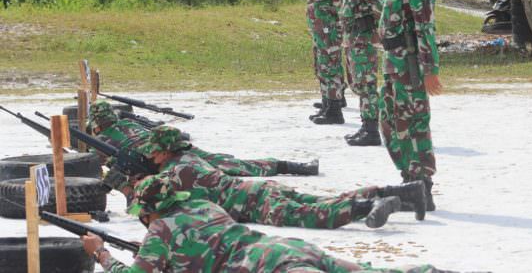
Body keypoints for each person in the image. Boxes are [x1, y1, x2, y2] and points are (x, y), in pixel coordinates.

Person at [81, 173, 452, 272]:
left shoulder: (161, 230)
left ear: (148, 212)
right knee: (366, 270)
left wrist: (102, 254)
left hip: (263, 268)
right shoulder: (206, 208)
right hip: (280, 249)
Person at [138, 125, 427, 229]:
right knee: (323, 200)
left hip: (253, 204)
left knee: (317, 215)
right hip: (257, 189)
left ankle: (368, 207)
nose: (152, 157)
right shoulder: (192, 158)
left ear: (165, 152)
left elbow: (155, 205)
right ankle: (403, 192)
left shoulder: (174, 174)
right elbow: (237, 164)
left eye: (154, 153)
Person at [87, 100, 318, 197]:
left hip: (157, 159)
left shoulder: (100, 144)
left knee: (213, 177)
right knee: (227, 163)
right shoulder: (127, 122)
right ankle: (290, 165)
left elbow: (98, 170)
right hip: (171, 147)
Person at [375, 0, 442, 211]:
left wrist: (430, 69)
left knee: (413, 124)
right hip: (394, 62)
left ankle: (422, 187)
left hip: (410, 64)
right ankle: (410, 181)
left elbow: (424, 25)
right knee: (390, 121)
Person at [339, 0, 384, 146]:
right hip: (355, 36)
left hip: (364, 36)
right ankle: (366, 125)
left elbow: (378, 7)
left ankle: (372, 130)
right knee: (359, 82)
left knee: (366, 83)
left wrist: (379, 33)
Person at [306, 0, 347, 124]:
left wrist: (342, 30)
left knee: (330, 68)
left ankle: (334, 110)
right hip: (320, 30)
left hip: (330, 30)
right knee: (322, 66)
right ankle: (327, 104)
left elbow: (341, 5)